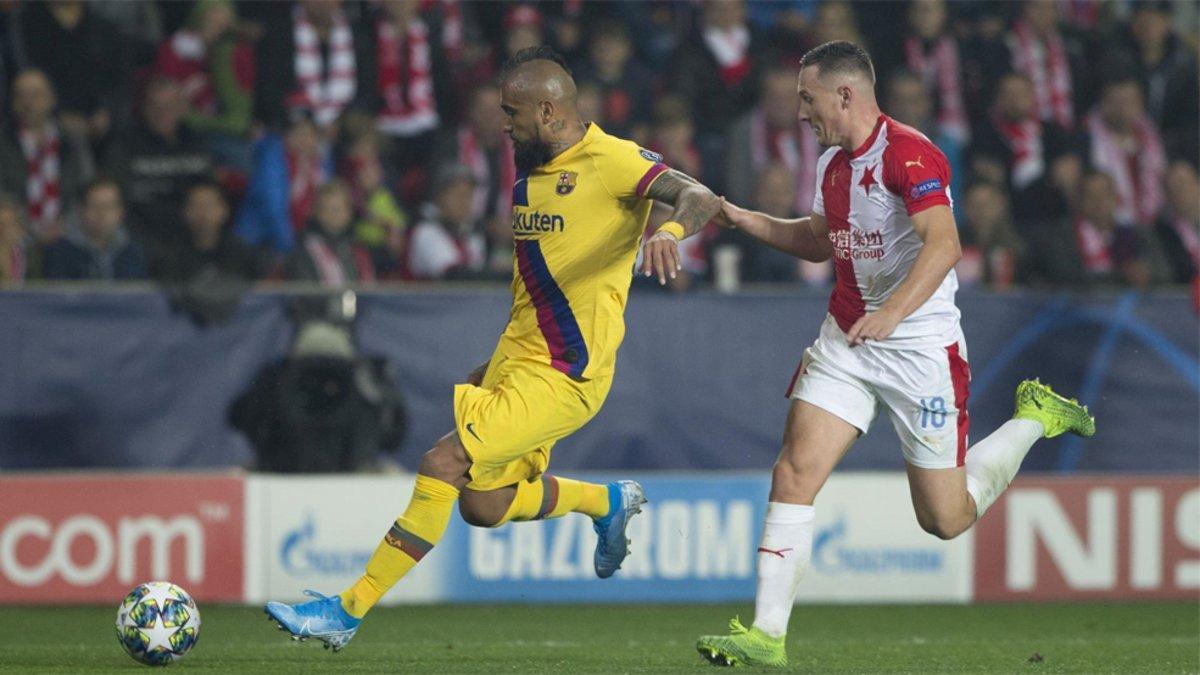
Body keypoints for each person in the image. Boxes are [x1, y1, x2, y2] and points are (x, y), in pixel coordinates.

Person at [265, 45, 720, 651]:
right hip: (519, 360)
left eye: (513, 112)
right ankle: (605, 501)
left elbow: (700, 197)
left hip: (566, 373)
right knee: (481, 504)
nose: (504, 124)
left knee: (441, 463)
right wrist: (496, 363)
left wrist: (667, 230)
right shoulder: (531, 173)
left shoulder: (611, 159)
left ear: (551, 112)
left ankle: (345, 611)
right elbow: (538, 284)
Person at [695, 41, 1095, 668]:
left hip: (918, 349)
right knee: (794, 471)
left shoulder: (910, 153)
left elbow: (945, 244)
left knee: (944, 518)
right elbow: (819, 241)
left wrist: (892, 313)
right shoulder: (834, 167)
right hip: (849, 340)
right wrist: (740, 217)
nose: (801, 112)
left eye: (808, 97)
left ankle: (1034, 418)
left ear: (844, 94)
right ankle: (766, 635)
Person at [151, 181, 263, 284]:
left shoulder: (244, 254)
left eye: (209, 205)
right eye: (197, 206)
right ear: (185, 211)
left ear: (224, 210)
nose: (203, 213)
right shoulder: (169, 256)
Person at [41, 179, 147, 281]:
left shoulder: (135, 251)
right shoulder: (59, 252)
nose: (101, 214)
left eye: (108, 207)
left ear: (121, 211)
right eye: (94, 206)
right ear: (81, 210)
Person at [284, 179, 376, 286]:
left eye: (338, 209)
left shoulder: (359, 247)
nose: (334, 215)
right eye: (327, 209)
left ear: (349, 211)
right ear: (316, 212)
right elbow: (306, 295)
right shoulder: (304, 250)